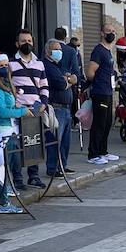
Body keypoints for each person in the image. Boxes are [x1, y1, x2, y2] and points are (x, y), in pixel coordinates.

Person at [0, 52, 32, 214]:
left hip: (9, 130)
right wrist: (22, 112)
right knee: (0, 167)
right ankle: (3, 202)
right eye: (0, 66)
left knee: (8, 165)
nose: (4, 68)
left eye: (6, 65)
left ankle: (6, 193)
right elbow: (2, 111)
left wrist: (22, 108)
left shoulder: (5, 84)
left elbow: (10, 107)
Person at [8, 28, 48, 188]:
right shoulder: (11, 64)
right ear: (17, 43)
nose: (27, 44)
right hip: (19, 110)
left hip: (36, 108)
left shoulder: (39, 63)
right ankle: (17, 180)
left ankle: (34, 176)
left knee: (34, 143)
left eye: (29, 41)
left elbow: (44, 85)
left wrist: (44, 103)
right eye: (23, 41)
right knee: (17, 146)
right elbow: (8, 86)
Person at [85, 22, 120, 165]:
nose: (111, 33)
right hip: (100, 92)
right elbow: (90, 72)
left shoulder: (108, 51)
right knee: (99, 123)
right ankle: (93, 154)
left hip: (108, 91)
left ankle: (103, 151)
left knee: (107, 122)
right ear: (102, 33)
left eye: (113, 31)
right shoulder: (98, 51)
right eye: (108, 31)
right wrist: (99, 81)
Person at [42, 39, 76, 177]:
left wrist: (68, 79)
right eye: (56, 50)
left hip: (66, 108)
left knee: (65, 141)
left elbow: (74, 77)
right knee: (55, 140)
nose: (59, 52)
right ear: (48, 51)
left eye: (60, 50)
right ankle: (52, 168)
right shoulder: (48, 66)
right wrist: (68, 80)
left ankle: (62, 165)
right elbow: (62, 84)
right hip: (56, 108)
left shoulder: (58, 66)